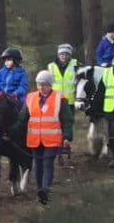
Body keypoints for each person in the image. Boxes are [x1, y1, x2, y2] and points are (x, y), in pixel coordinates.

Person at [17, 70, 74, 203]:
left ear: (50, 85)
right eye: (39, 84)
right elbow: (22, 119)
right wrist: (12, 132)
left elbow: (67, 120)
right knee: (38, 165)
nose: (41, 87)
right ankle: (40, 191)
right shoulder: (30, 98)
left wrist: (67, 136)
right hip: (35, 140)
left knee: (48, 163)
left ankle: (45, 189)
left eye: (44, 85)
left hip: (52, 140)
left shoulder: (60, 99)